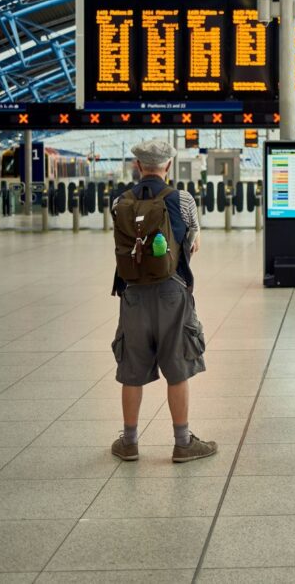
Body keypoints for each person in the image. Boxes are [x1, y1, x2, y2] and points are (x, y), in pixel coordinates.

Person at [109, 140, 216, 464]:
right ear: (168, 166)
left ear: (138, 166)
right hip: (172, 292)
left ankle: (129, 442)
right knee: (177, 367)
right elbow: (193, 241)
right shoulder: (182, 200)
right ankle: (182, 443)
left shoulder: (119, 202)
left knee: (132, 368)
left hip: (132, 293)